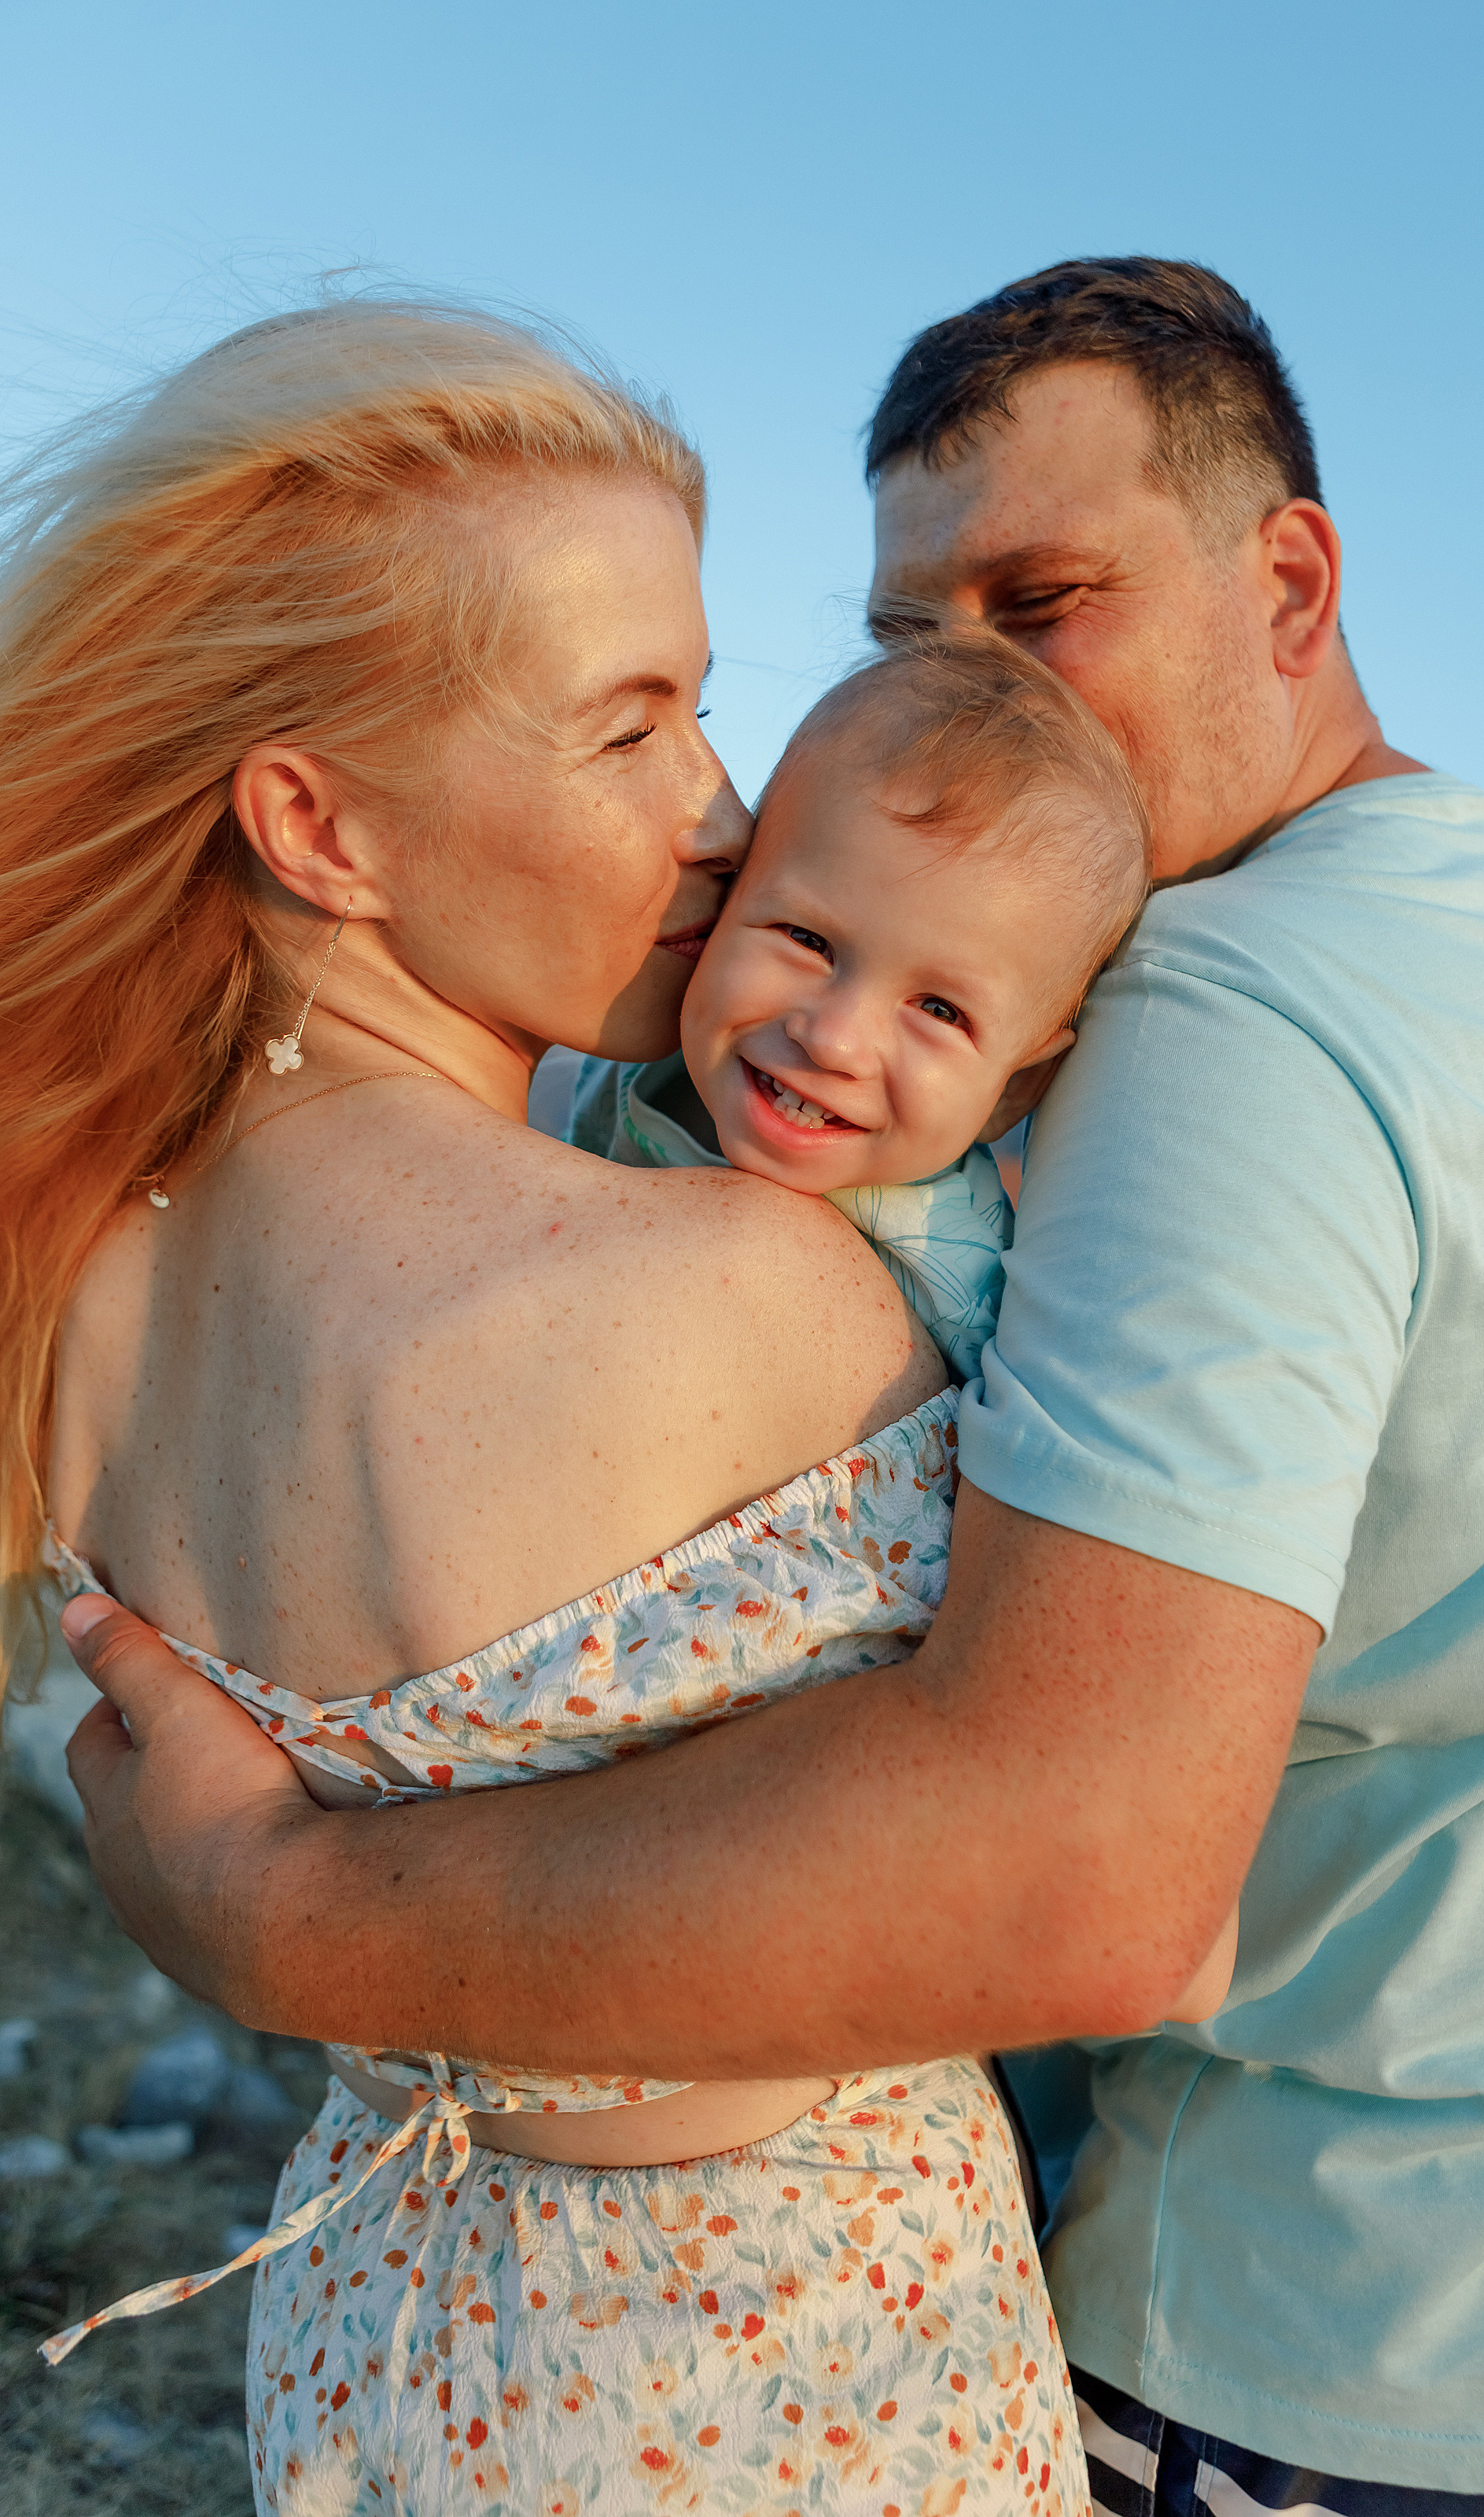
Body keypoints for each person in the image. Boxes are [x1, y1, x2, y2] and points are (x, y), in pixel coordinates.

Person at [57, 259, 1484, 2510]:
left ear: (1284, 580)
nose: (965, 711)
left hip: (1311, 2306)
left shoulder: (1220, 1024)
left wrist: (269, 1918)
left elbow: (1091, 1874)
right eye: (911, 640)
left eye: (1044, 602)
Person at [3, 300, 1102, 2512]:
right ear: (316, 822)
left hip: (384, 2337)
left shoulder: (72, 1301)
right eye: (630, 729)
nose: (721, 811)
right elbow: (1080, 1867)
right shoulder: (746, 1298)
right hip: (799, 2375)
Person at [576, 623, 1151, 1381]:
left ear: (1012, 1087)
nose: (834, 1040)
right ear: (724, 905)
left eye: (939, 1011)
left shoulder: (964, 1292)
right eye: (806, 940)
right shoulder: (625, 1066)